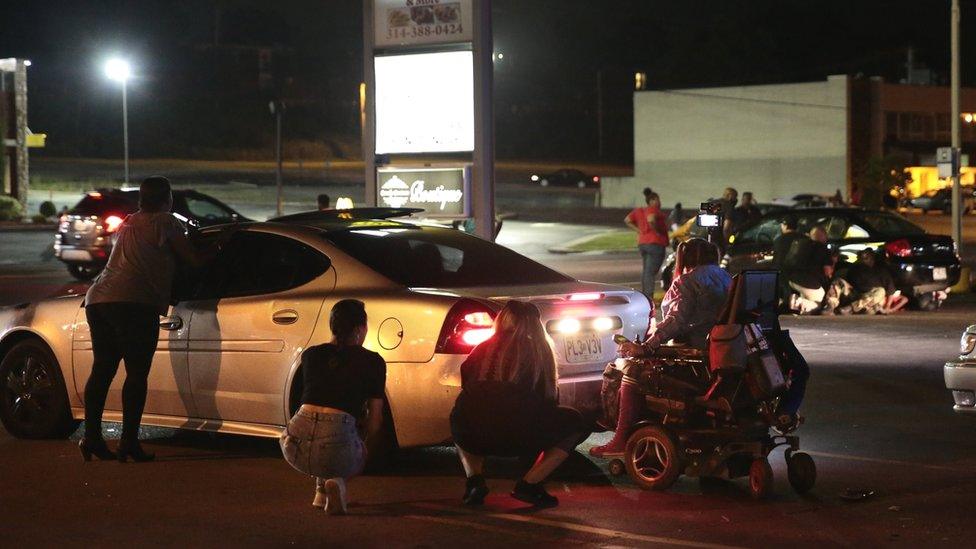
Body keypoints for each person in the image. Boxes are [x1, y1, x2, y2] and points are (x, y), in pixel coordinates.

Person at [81, 176, 208, 463]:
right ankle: (128, 443)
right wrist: (220, 245)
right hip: (135, 302)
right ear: (168, 199)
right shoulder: (165, 221)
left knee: (103, 369)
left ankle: (91, 438)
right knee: (136, 374)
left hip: (98, 298)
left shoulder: (129, 221)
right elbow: (194, 260)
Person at [590, 239, 731, 457]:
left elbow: (676, 321)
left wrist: (646, 347)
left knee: (630, 368)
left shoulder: (687, 281)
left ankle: (620, 439)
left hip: (696, 353)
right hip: (721, 352)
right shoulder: (726, 277)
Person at [450, 301, 587, 508]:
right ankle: (530, 484)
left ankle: (474, 480)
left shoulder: (483, 347)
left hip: (472, 434)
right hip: (518, 435)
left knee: (463, 413)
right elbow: (548, 400)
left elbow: (467, 386)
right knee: (575, 421)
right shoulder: (538, 351)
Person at [280, 299, 386, 515]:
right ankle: (338, 482)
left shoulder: (310, 355)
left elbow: (308, 404)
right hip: (336, 447)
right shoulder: (373, 361)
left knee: (320, 430)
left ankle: (321, 493)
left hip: (295, 446)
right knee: (349, 444)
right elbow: (375, 423)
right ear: (359, 329)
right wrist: (365, 447)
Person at [625, 188, 669, 300]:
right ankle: (648, 296)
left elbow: (627, 220)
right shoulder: (653, 209)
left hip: (643, 243)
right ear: (653, 200)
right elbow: (651, 219)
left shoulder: (639, 210)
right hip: (655, 243)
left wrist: (639, 230)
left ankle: (646, 295)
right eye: (658, 199)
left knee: (647, 271)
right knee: (650, 272)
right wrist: (657, 230)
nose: (660, 202)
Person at [836, 249, 906, 314]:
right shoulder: (854, 270)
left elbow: (891, 291)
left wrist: (888, 307)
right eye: (861, 258)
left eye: (866, 258)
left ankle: (851, 308)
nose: (863, 260)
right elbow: (849, 285)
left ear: (872, 259)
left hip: (873, 297)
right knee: (839, 281)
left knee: (880, 291)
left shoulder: (882, 272)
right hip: (856, 294)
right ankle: (830, 307)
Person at [783, 226, 833, 314]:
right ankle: (798, 302)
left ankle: (799, 312)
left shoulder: (799, 244)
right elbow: (827, 272)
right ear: (824, 237)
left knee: (807, 295)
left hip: (791, 279)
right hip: (808, 283)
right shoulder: (824, 249)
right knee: (820, 301)